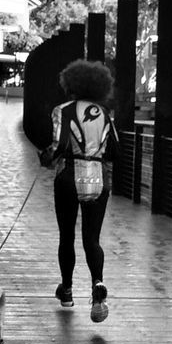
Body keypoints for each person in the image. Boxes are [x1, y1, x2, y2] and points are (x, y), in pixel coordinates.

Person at [39, 59, 119, 323]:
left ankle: (67, 291)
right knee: (92, 239)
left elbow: (59, 145)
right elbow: (116, 151)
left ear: (71, 83)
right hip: (98, 178)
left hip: (69, 176)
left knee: (66, 236)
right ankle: (97, 285)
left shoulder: (63, 110)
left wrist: (46, 157)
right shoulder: (106, 113)